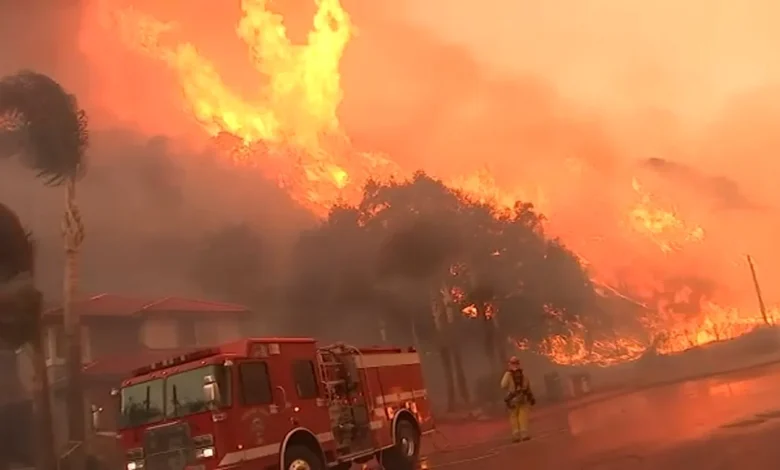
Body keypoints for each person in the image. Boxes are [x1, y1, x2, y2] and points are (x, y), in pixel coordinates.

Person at [500, 356, 536, 442]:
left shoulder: (508, 374)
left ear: (510, 364)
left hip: (512, 399)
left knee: (513, 417)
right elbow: (527, 386)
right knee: (523, 416)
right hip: (523, 398)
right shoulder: (523, 373)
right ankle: (524, 435)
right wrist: (531, 397)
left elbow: (503, 385)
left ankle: (516, 436)